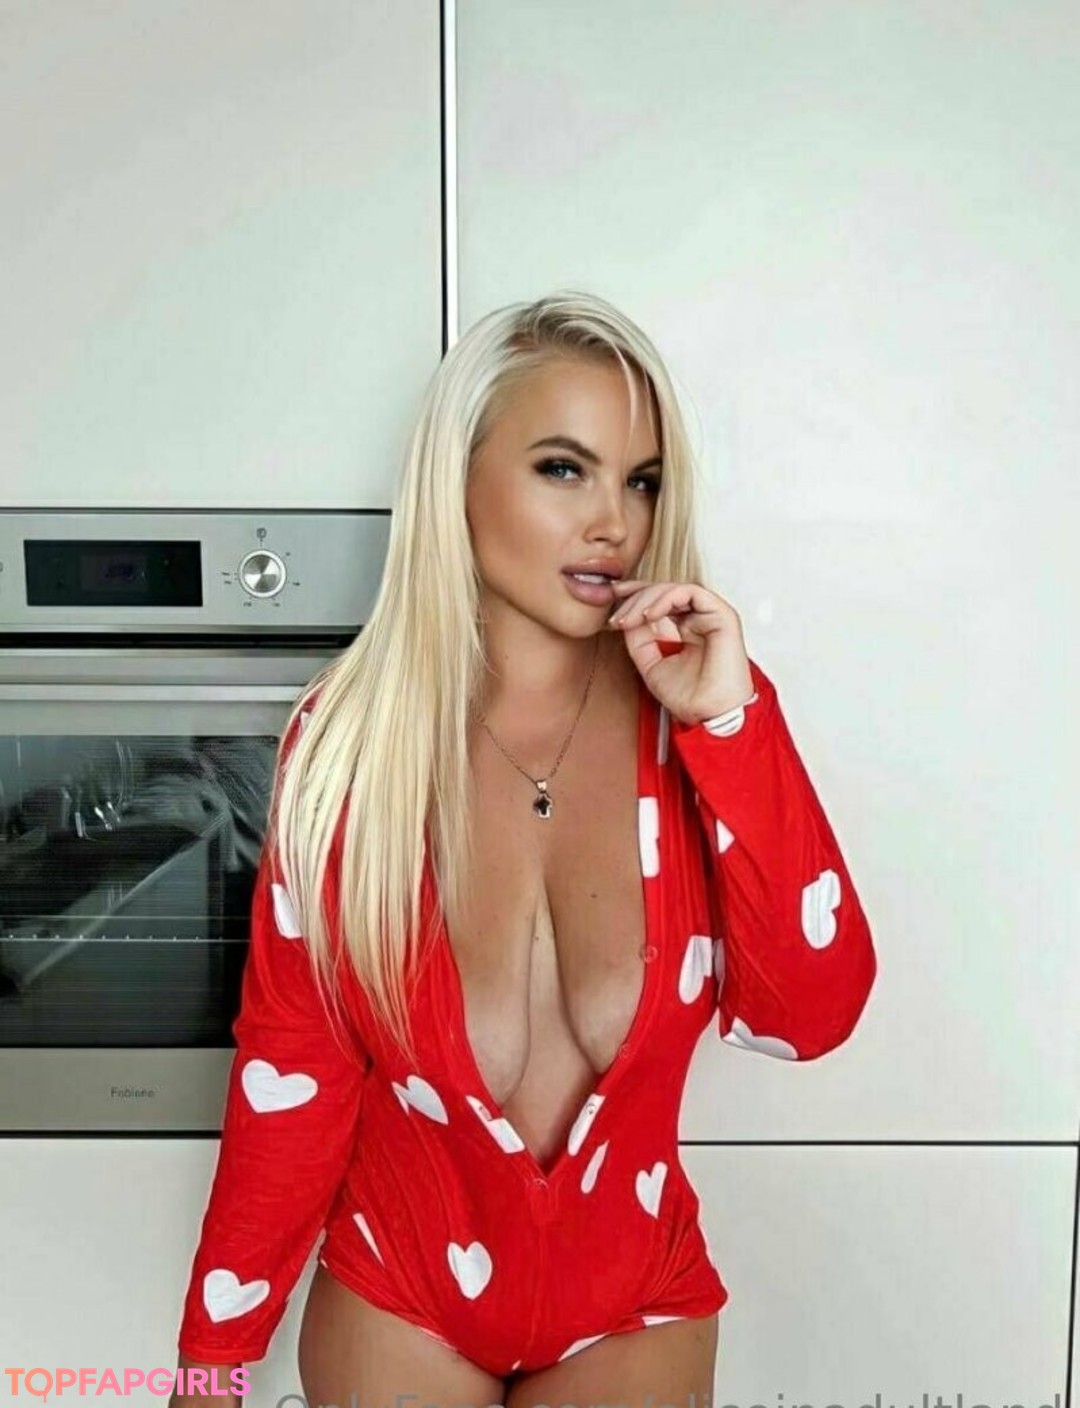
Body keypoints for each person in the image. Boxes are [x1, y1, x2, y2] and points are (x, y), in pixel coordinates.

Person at [170, 291, 877, 1407]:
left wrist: (730, 726)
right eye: (563, 469)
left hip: (631, 1298)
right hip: (401, 1294)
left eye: (641, 481)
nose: (615, 523)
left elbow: (810, 1016)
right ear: (458, 477)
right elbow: (295, 1078)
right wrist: (209, 1371)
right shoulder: (351, 746)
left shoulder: (702, 722)